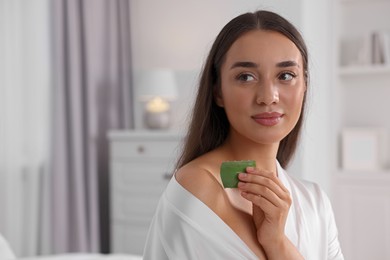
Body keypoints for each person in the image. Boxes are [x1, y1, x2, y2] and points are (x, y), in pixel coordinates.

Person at [143, 10, 344, 260]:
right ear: (218, 91)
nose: (268, 96)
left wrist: (277, 243)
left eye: (286, 76)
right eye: (246, 77)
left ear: (304, 85)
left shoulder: (315, 202)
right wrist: (278, 245)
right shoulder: (199, 187)